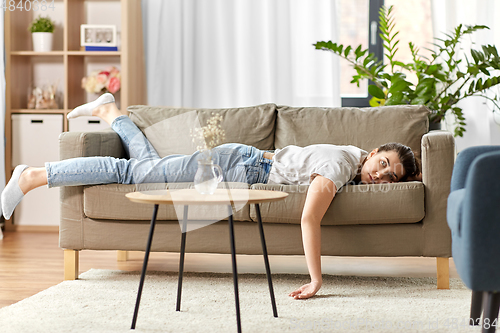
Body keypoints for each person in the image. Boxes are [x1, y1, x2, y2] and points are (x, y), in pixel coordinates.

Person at [1, 94, 421, 299]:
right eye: (383, 161)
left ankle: (112, 112)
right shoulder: (340, 165)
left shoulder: (349, 161)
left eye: (390, 175)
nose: (381, 173)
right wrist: (315, 279)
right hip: (238, 166)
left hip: (241, 163)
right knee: (136, 173)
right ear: (374, 152)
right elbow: (309, 218)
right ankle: (35, 175)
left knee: (145, 171)